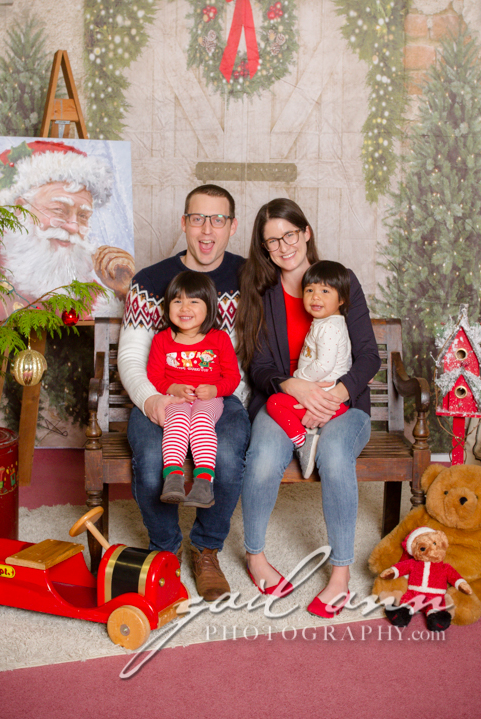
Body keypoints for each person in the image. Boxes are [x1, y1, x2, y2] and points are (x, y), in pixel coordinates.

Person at [236, 198, 381, 615]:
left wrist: (336, 393)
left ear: (306, 233)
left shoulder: (340, 279)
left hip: (343, 404)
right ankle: (256, 557)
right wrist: (295, 386)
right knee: (263, 457)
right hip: (285, 401)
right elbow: (259, 365)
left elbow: (368, 356)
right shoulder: (262, 293)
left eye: (290, 235)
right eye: (272, 241)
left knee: (335, 455)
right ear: (264, 248)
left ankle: (340, 575)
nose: (284, 247)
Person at [117, 184, 251, 601]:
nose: (207, 230)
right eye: (198, 218)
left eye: (218, 219)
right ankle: (165, 550)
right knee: (152, 461)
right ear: (184, 223)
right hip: (161, 395)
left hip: (221, 396)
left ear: (232, 226)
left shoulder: (251, 279)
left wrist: (226, 396)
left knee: (226, 456)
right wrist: (152, 399)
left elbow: (253, 356)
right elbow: (132, 357)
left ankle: (206, 549)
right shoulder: (149, 282)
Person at [0, 139, 135, 317]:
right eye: (59, 210)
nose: (73, 227)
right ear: (19, 210)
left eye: (83, 216)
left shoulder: (95, 299)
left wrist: (123, 292)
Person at [147, 271, 241, 508]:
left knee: (201, 421)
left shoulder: (219, 339)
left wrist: (214, 390)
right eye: (177, 301)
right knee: (176, 421)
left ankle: (203, 483)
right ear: (168, 306)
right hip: (175, 399)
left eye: (194, 301)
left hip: (208, 399)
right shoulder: (162, 340)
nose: (184, 308)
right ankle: (173, 479)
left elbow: (232, 378)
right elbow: (155, 376)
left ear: (209, 307)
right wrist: (173, 388)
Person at [266, 260, 352, 479]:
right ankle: (307, 431)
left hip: (327, 402)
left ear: (341, 299)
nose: (315, 297)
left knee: (274, 403)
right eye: (310, 290)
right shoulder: (327, 322)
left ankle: (303, 441)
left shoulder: (329, 327)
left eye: (325, 291)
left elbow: (324, 365)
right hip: (324, 399)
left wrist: (297, 377)